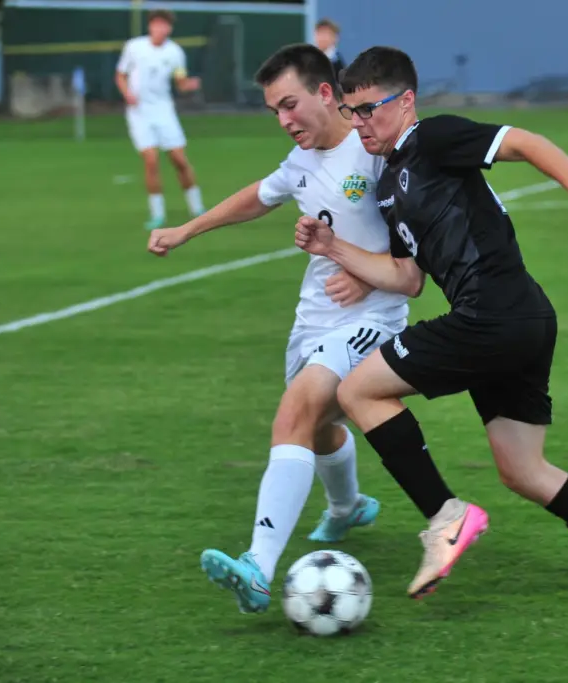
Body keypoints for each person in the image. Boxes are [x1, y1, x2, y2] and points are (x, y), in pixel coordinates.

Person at [294, 46, 568, 600]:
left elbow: (525, 142)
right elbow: (406, 278)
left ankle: (445, 517)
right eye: (350, 111)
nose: (358, 123)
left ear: (405, 101)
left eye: (367, 109)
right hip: (520, 319)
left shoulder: (433, 138)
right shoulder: (388, 186)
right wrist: (333, 247)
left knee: (358, 390)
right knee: (522, 470)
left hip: (492, 313)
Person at [147, 44, 409, 615]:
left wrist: (369, 276)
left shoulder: (374, 149)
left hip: (372, 319)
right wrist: (187, 230)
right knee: (317, 429)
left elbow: (419, 236)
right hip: (312, 317)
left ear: (325, 93)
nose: (284, 120)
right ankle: (348, 508)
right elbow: (259, 196)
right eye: (274, 111)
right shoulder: (301, 160)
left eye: (289, 104)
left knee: (295, 413)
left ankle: (258, 568)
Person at [116, 10, 206, 230]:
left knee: (179, 160)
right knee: (151, 160)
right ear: (150, 26)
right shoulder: (134, 47)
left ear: (169, 28)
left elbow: (181, 83)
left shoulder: (175, 52)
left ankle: (197, 208)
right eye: (156, 24)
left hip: (164, 111)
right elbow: (120, 75)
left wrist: (190, 85)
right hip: (139, 113)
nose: (160, 28)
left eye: (164, 25)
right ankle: (157, 214)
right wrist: (127, 93)